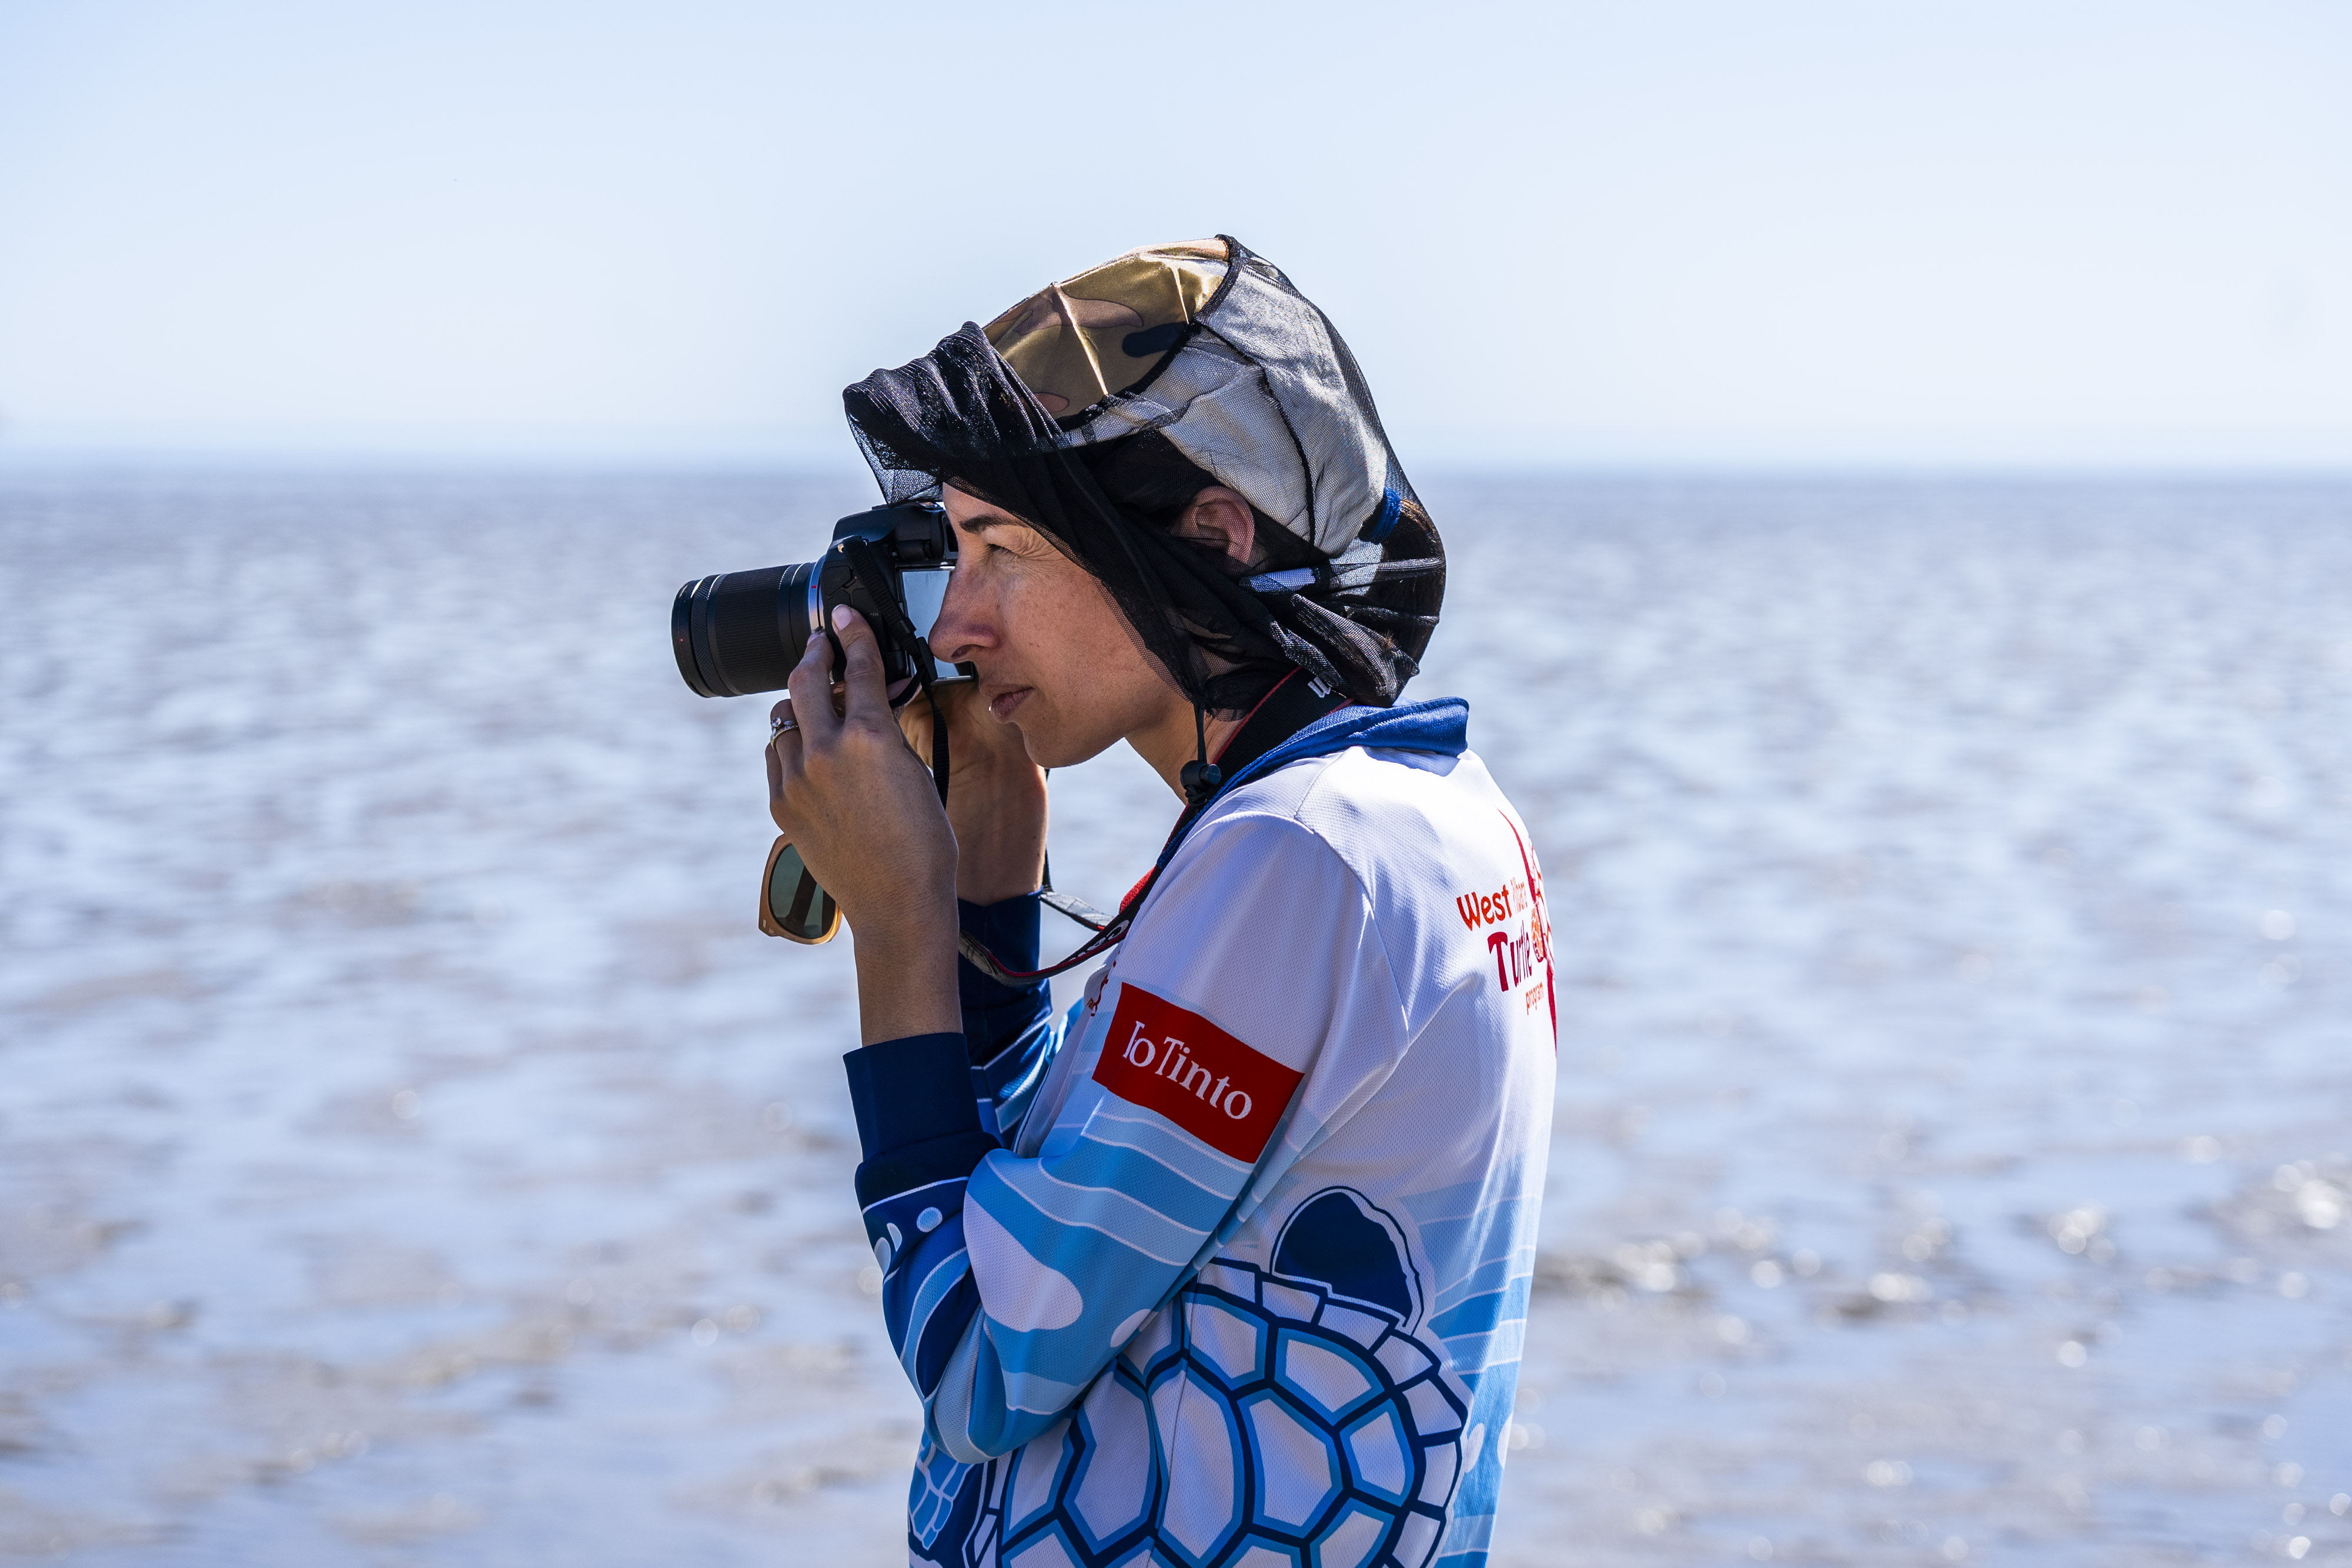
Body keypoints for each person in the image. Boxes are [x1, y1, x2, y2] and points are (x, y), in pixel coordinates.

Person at [764, 238, 1555, 1568]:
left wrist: (900, 922)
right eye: (951, 554)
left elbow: (977, 1367)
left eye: (1000, 549)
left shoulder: (1292, 859)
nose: (954, 624)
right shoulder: (1417, 808)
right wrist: (989, 883)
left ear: (1208, 530)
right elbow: (1042, 1224)